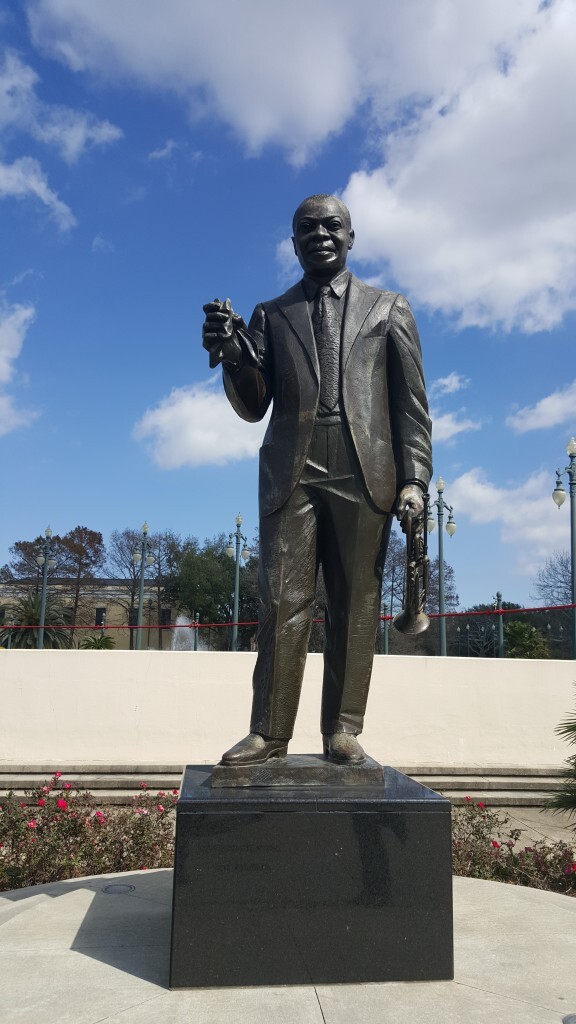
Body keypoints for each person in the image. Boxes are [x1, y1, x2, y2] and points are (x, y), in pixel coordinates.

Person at [202, 194, 432, 766]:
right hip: (293, 470)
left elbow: (411, 407)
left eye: (332, 226)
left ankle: (343, 730)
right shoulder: (271, 315)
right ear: (293, 242)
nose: (320, 234)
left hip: (366, 470)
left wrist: (416, 480)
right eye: (307, 228)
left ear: (351, 236)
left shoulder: (389, 309)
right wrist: (233, 352)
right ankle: (269, 732)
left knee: (355, 603)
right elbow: (254, 405)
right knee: (283, 602)